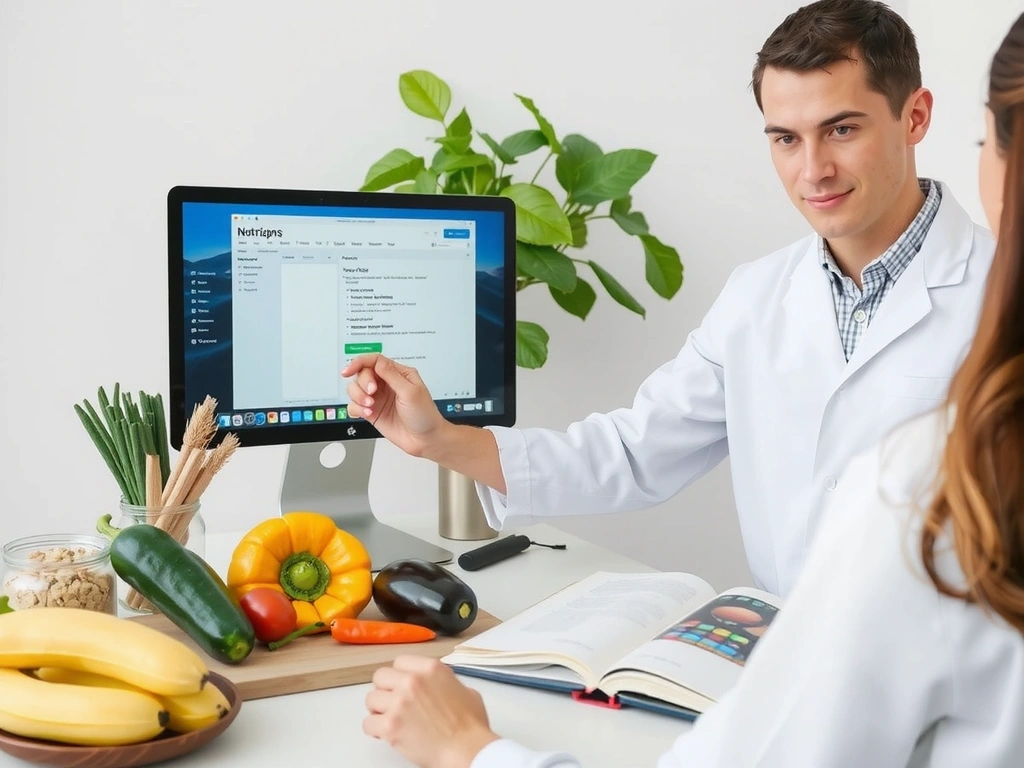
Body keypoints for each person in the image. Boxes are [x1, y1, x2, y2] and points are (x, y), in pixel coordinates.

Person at [358, 10, 1024, 767]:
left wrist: (469, 750)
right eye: (785, 139)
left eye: (842, 130)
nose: (813, 171)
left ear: (916, 116)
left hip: (900, 694)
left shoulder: (995, 311)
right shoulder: (756, 297)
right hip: (789, 674)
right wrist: (442, 439)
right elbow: (637, 450)